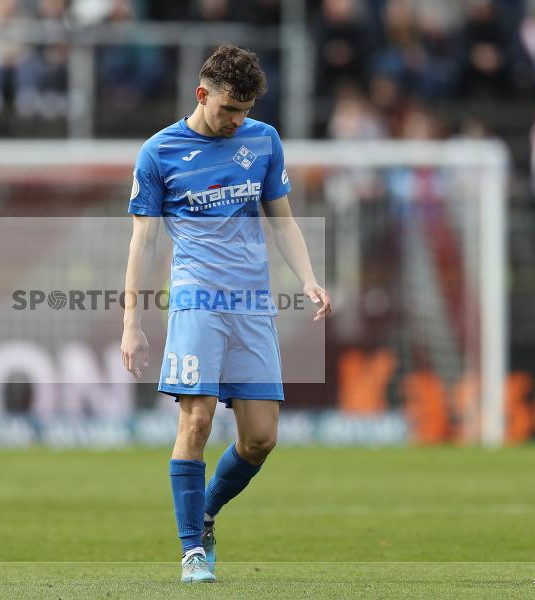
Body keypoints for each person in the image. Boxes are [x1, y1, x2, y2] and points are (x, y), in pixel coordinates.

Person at [120, 44, 331, 583]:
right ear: (202, 95)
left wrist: (307, 277)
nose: (238, 121)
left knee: (260, 439)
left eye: (245, 110)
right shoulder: (159, 153)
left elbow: (281, 220)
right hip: (195, 300)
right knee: (197, 419)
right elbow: (141, 243)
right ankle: (191, 551)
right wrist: (132, 324)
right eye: (228, 109)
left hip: (253, 304)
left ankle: (206, 511)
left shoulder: (263, 141)